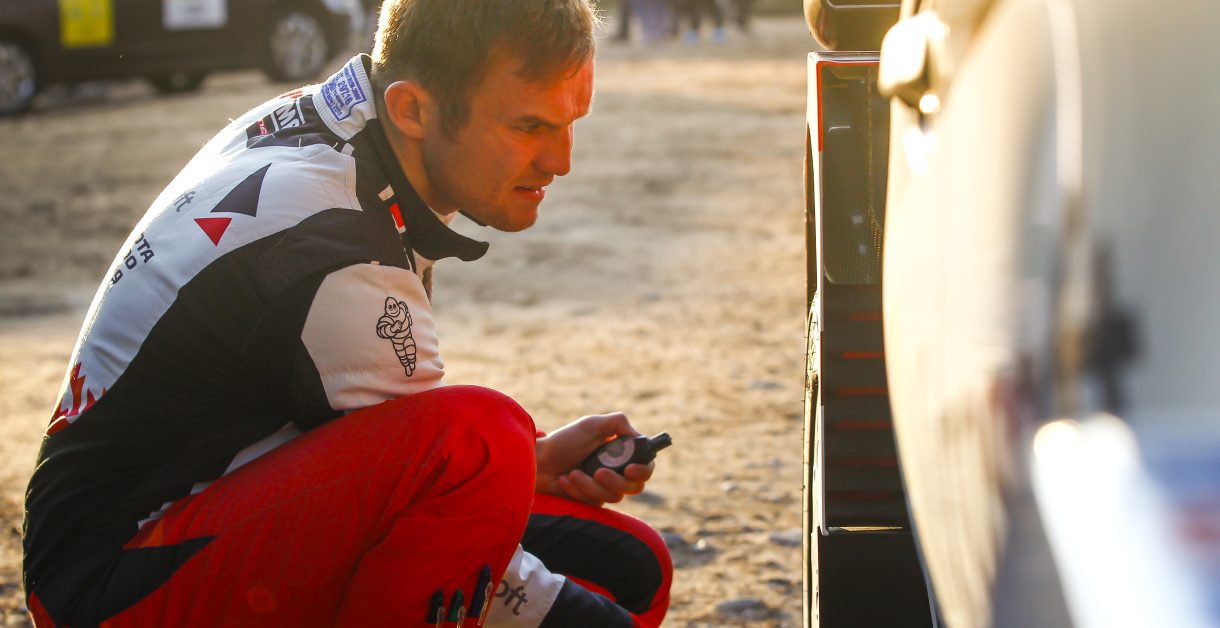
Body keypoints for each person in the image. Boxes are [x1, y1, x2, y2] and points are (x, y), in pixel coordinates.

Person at [21, 0, 672, 626]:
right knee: (482, 442)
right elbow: (447, 497)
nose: (562, 161)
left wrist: (537, 462)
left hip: (166, 525)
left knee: (633, 568)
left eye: (571, 122)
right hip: (111, 587)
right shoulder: (339, 239)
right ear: (412, 108)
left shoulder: (334, 127)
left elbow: (386, 470)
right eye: (531, 127)